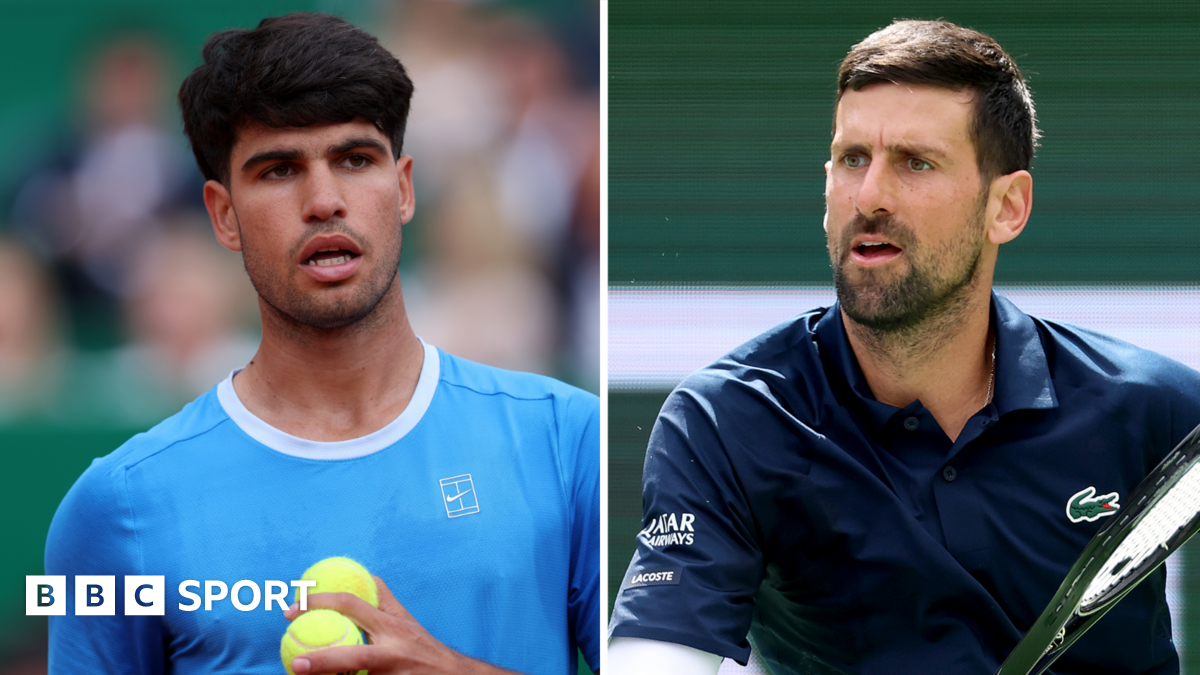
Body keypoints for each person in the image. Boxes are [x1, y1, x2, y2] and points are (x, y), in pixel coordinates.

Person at [608, 19, 1200, 675]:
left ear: (1007, 207)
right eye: (854, 159)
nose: (871, 196)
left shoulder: (1156, 408)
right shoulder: (726, 421)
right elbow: (654, 661)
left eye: (916, 163)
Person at [45, 13, 599, 675]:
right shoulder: (115, 506)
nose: (324, 199)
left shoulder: (571, 442)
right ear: (223, 215)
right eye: (280, 170)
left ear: (403, 188)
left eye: (355, 159)